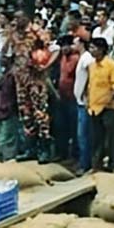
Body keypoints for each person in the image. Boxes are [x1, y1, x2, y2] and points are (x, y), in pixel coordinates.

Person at [87, 38, 114, 173]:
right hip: (94, 107)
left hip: (109, 107)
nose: (91, 51)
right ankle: (96, 165)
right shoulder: (91, 65)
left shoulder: (111, 65)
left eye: (93, 48)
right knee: (97, 137)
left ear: (101, 49)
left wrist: (108, 100)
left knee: (112, 137)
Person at [52, 35, 80, 164]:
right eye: (62, 46)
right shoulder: (62, 58)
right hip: (62, 96)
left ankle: (74, 156)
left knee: (74, 129)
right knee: (60, 127)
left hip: (73, 97)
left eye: (65, 46)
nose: (64, 49)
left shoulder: (76, 58)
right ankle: (61, 153)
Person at [72, 35, 95, 175]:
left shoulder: (87, 57)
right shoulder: (82, 57)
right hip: (79, 101)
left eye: (75, 43)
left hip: (85, 102)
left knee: (84, 135)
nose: (73, 45)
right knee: (82, 135)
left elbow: (91, 75)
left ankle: (85, 164)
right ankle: (83, 162)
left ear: (81, 43)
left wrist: (86, 93)